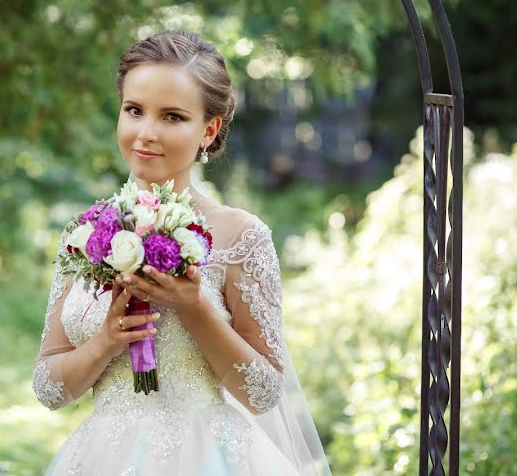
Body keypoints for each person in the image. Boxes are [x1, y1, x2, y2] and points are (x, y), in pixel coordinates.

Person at [32, 30, 331, 475]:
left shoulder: (240, 237)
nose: (146, 133)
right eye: (134, 110)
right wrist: (105, 342)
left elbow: (265, 393)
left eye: (171, 117)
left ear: (208, 130)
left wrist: (194, 307)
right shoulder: (85, 234)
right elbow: (48, 388)